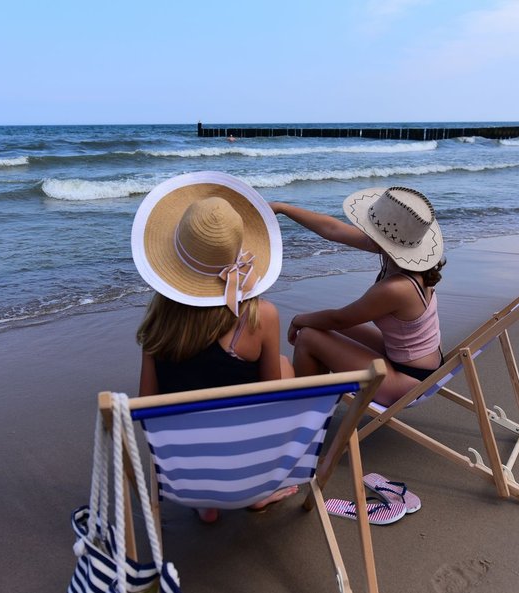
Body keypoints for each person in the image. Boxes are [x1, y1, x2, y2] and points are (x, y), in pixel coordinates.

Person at [132, 171, 296, 522]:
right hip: (240, 463)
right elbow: (269, 404)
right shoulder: (261, 316)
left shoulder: (157, 323)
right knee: (283, 365)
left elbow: (147, 406)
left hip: (187, 469)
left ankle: (207, 503)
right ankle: (254, 492)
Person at [271, 186, 445, 407]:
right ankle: (313, 404)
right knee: (320, 326)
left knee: (308, 335)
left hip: (408, 381)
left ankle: (302, 413)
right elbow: (332, 229)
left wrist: (298, 319)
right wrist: (282, 208)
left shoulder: (397, 288)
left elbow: (340, 319)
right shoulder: (408, 263)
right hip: (411, 360)